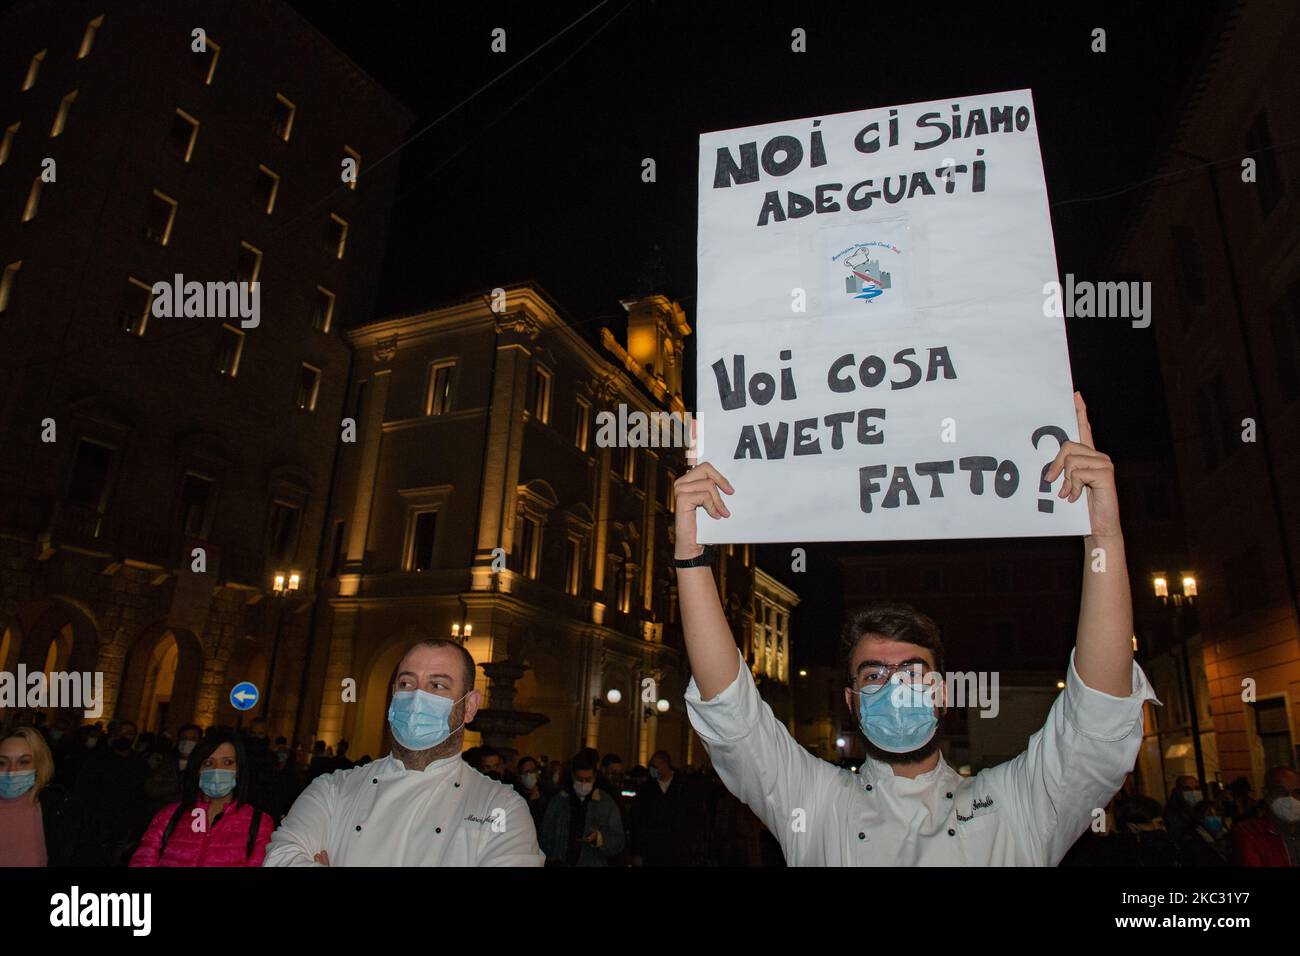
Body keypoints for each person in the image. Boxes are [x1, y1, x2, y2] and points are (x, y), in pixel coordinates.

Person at [674, 393, 1159, 866]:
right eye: (873, 676)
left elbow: (1096, 714)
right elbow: (733, 717)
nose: (895, 687)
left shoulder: (1018, 805)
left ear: (943, 693)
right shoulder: (815, 803)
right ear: (851, 702)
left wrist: (1104, 537)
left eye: (912, 671)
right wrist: (692, 556)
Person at [264, 639, 543, 866]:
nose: (416, 697)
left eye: (437, 686)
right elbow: (280, 857)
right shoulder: (332, 790)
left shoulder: (501, 807)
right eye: (407, 683)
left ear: (469, 706)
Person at [128, 730, 273, 866]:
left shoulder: (259, 823)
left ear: (239, 770)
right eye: (208, 763)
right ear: (198, 770)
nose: (217, 769)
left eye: (227, 762)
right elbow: (143, 860)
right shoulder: (169, 816)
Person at [0, 726, 82, 866]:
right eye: (2, 763)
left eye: (24, 762)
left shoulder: (57, 809)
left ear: (39, 765)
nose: (12, 771)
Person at [539, 751, 625, 866]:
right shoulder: (559, 801)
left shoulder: (605, 803)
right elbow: (545, 836)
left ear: (595, 777)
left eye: (588, 779)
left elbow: (618, 842)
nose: (584, 783)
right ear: (573, 776)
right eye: (580, 779)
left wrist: (599, 839)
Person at [629, 750, 706, 866]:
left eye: (655, 766)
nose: (652, 770)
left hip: (678, 849)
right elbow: (637, 820)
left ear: (665, 765)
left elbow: (694, 815)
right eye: (651, 766)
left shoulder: (684, 786)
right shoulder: (646, 789)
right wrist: (637, 851)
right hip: (652, 850)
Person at [1230, 766, 1300, 866]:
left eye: (1297, 792)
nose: (1290, 798)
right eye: (1281, 791)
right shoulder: (1251, 832)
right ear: (1266, 794)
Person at [514, 755, 550, 833]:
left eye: (532, 771)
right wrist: (530, 803)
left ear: (537, 773)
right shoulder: (514, 796)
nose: (529, 774)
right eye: (525, 772)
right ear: (519, 775)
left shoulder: (547, 793)